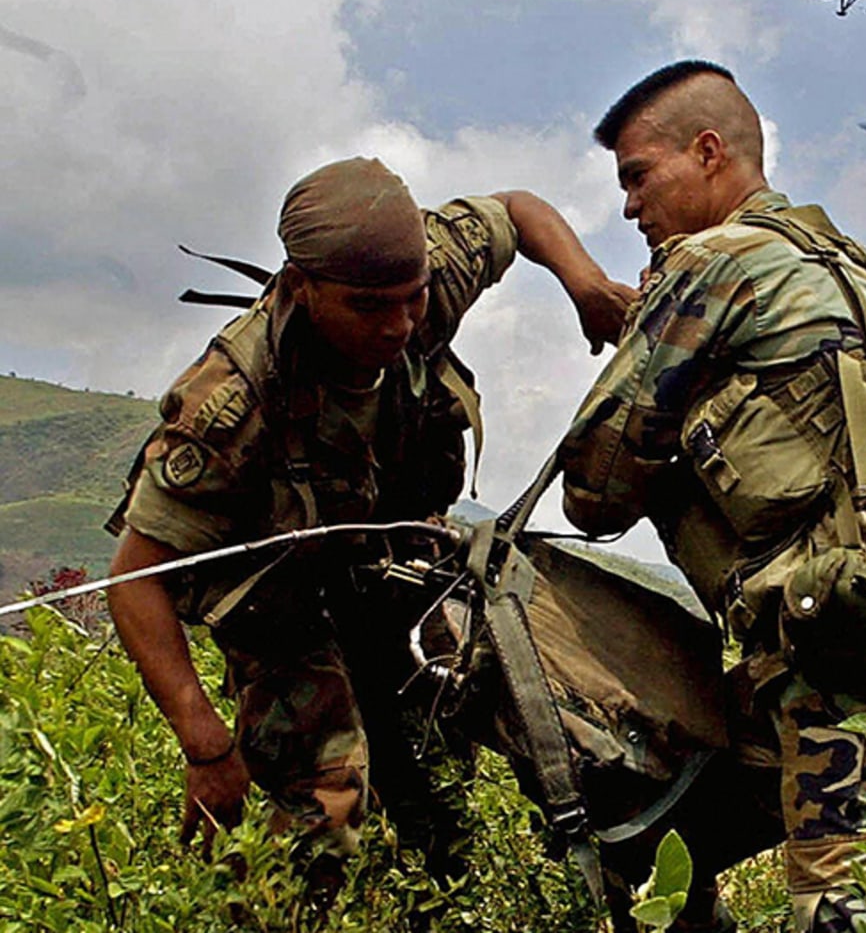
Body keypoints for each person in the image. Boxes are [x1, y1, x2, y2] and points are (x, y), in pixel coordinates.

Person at [559, 61, 866, 933]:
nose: (629, 207)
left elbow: (595, 489)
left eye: (638, 177)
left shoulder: (715, 261)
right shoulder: (849, 265)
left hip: (847, 636)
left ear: (709, 152)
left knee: (854, 910)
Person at [106, 157, 635, 904]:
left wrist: (587, 286)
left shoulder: (427, 272)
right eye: (367, 307)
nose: (398, 326)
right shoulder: (231, 404)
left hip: (395, 570)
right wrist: (206, 744)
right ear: (302, 287)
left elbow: (517, 210)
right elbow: (134, 580)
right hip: (284, 608)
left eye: (412, 301)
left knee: (446, 764)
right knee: (327, 803)